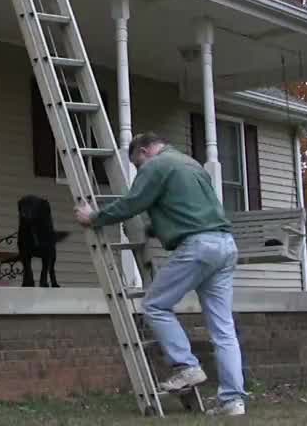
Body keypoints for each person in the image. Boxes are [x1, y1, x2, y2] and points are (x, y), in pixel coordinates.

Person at [74, 132, 247, 417]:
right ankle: (233, 402)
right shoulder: (190, 163)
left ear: (143, 152)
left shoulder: (156, 166)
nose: (140, 170)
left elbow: (132, 203)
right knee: (223, 328)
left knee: (155, 305)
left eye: (137, 165)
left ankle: (187, 367)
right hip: (225, 245)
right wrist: (159, 228)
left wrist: (94, 217)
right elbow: (191, 209)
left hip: (199, 247)